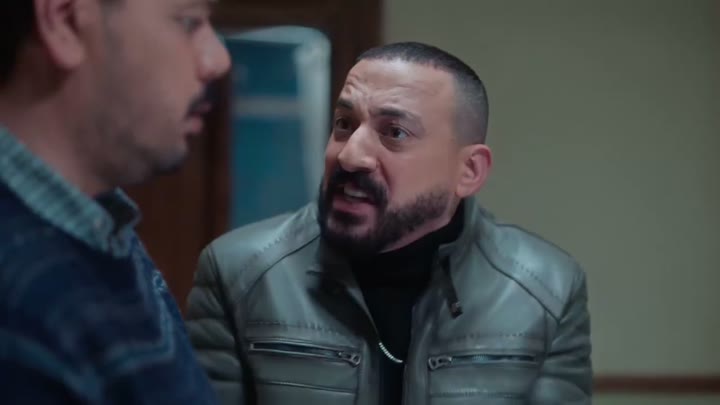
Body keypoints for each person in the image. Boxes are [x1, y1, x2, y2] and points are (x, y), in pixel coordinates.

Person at [186, 41, 592, 405]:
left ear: (468, 170)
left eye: (394, 132)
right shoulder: (240, 273)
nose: (350, 156)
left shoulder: (547, 289)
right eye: (344, 124)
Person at [0, 0, 230, 403]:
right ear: (64, 21)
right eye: (189, 21)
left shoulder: (98, 228)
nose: (218, 60)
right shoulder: (18, 311)